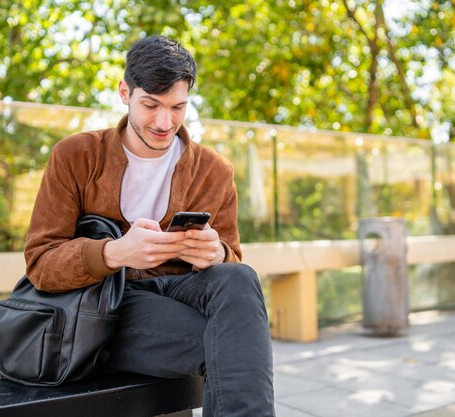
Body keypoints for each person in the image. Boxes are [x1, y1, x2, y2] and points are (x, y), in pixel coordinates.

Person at [23, 35, 275, 417]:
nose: (164, 122)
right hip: (107, 303)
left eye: (177, 107)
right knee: (236, 345)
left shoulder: (215, 171)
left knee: (240, 279)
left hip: (180, 291)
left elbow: (233, 257)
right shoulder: (75, 155)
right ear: (125, 92)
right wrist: (114, 252)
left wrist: (216, 252)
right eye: (151, 105)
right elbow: (41, 264)